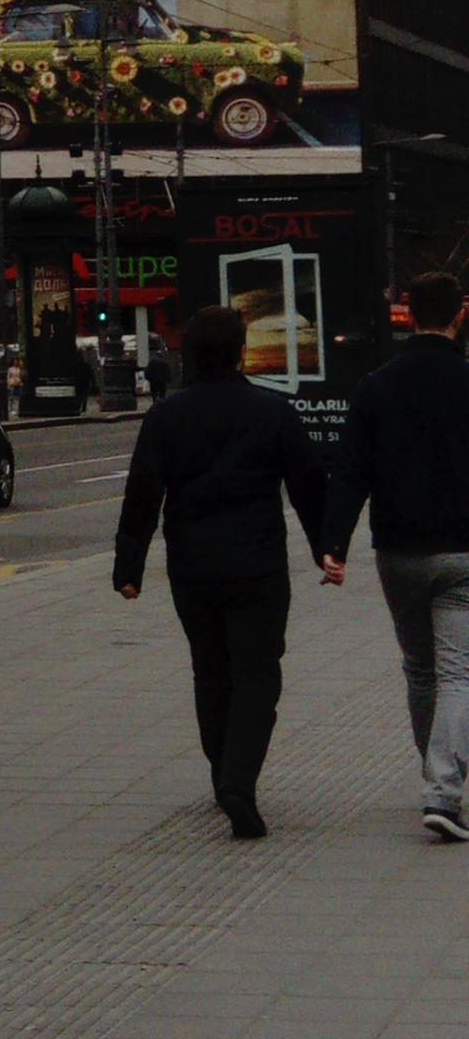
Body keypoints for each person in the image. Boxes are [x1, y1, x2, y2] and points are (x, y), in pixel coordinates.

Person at [113, 302, 325, 838]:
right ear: (242, 354)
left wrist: (128, 566)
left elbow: (143, 493)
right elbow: (308, 485)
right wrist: (328, 547)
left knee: (210, 671)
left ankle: (221, 774)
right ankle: (238, 780)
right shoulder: (273, 411)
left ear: (189, 354)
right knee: (257, 673)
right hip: (258, 567)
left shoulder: (166, 416)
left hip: (193, 568)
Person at [319, 267, 469, 840]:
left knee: (421, 670)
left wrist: (333, 544)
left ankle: (435, 779)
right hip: (462, 549)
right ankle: (443, 792)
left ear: (407, 314)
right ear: (460, 315)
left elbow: (350, 470)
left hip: (398, 549)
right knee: (458, 672)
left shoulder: (376, 385)